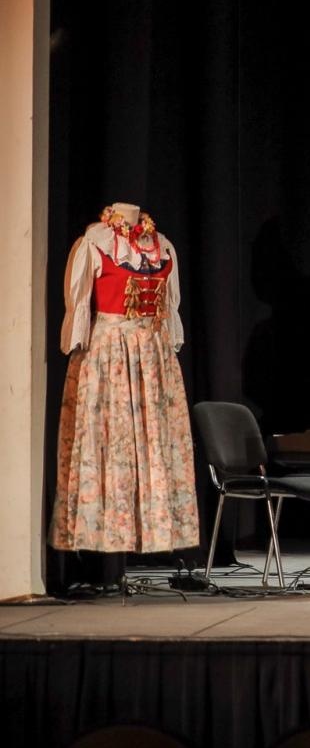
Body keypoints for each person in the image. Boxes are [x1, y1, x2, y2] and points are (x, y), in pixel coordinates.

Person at [52, 204, 199, 574]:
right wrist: (80, 349)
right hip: (110, 354)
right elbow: (81, 303)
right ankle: (101, 547)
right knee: (110, 446)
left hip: (152, 357)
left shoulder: (162, 246)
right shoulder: (95, 242)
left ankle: (148, 536)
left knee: (151, 448)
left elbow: (170, 307)